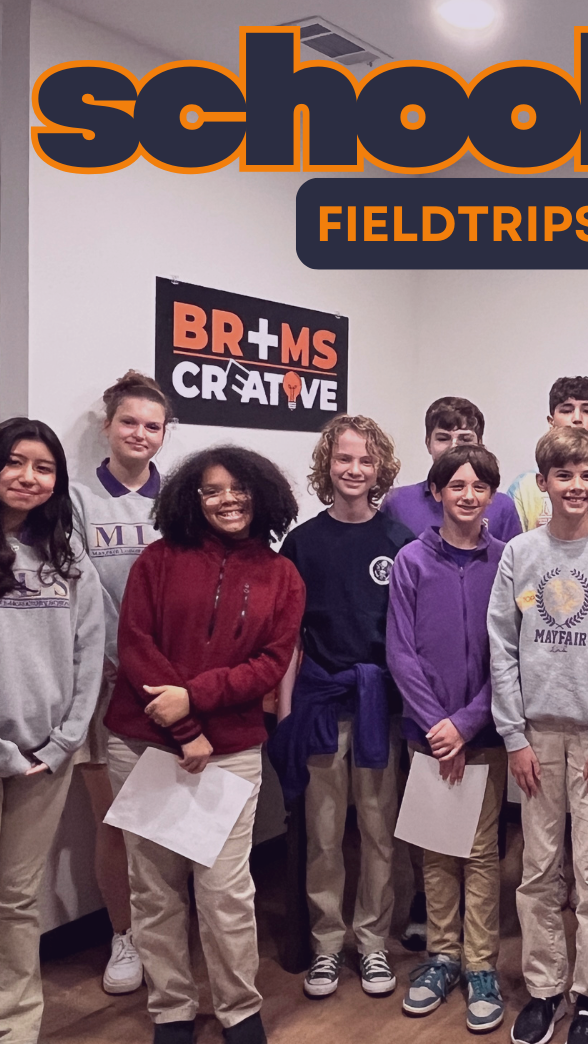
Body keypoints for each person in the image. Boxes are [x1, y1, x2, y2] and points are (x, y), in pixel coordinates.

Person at [105, 446, 304, 1044]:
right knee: (156, 888)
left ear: (261, 495)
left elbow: (270, 664)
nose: (228, 500)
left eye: (239, 489)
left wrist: (194, 701)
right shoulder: (157, 561)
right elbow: (136, 644)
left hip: (232, 751)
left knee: (225, 892)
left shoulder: (281, 575)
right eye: (212, 490)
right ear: (191, 498)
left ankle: (239, 1009)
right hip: (145, 744)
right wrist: (183, 729)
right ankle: (170, 1008)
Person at [489, 426, 588, 1044]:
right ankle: (544, 987)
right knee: (537, 869)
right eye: (564, 476)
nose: (576, 487)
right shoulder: (519, 553)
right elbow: (500, 647)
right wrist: (513, 737)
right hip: (533, 736)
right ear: (544, 482)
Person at [275, 414, 414, 1000]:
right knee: (324, 832)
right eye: (343, 459)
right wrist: (283, 713)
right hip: (321, 702)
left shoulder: (399, 543)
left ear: (380, 468)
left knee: (380, 831)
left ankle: (373, 942)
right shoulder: (302, 542)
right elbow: (290, 637)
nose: (353, 470)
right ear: (326, 465)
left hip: (381, 703)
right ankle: (328, 945)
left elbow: (409, 638)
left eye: (364, 460)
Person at [387, 444, 508, 1032]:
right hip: (427, 732)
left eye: (478, 486)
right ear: (436, 493)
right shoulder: (411, 560)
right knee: (437, 848)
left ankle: (481, 963)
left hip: (485, 729)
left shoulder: (507, 561)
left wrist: (467, 722)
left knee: (482, 853)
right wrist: (438, 724)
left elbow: (511, 658)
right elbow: (400, 651)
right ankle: (442, 955)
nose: (467, 495)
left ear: (492, 495)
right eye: (455, 485)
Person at [0, 418, 105, 1043]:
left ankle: (15, 1023)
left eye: (44, 468)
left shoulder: (67, 558)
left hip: (45, 760)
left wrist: (64, 740)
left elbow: (87, 655)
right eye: (15, 462)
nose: (28, 477)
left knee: (17, 899)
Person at [69, 370, 170, 997]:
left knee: (173, 820)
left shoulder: (182, 497)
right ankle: (124, 935)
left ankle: (171, 928)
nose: (140, 434)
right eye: (129, 422)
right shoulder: (78, 500)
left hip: (171, 687)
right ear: (108, 427)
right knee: (116, 822)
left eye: (152, 426)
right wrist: (113, 655)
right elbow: (77, 590)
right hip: (105, 682)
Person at [382, 395, 522, 543]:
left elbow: (515, 563)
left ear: (480, 444)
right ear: (428, 443)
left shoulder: (502, 507)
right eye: (443, 438)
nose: (453, 447)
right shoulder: (398, 502)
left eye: (465, 439)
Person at [507, 375, 588, 535]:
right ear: (551, 421)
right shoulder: (523, 487)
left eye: (587, 411)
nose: (577, 419)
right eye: (566, 410)